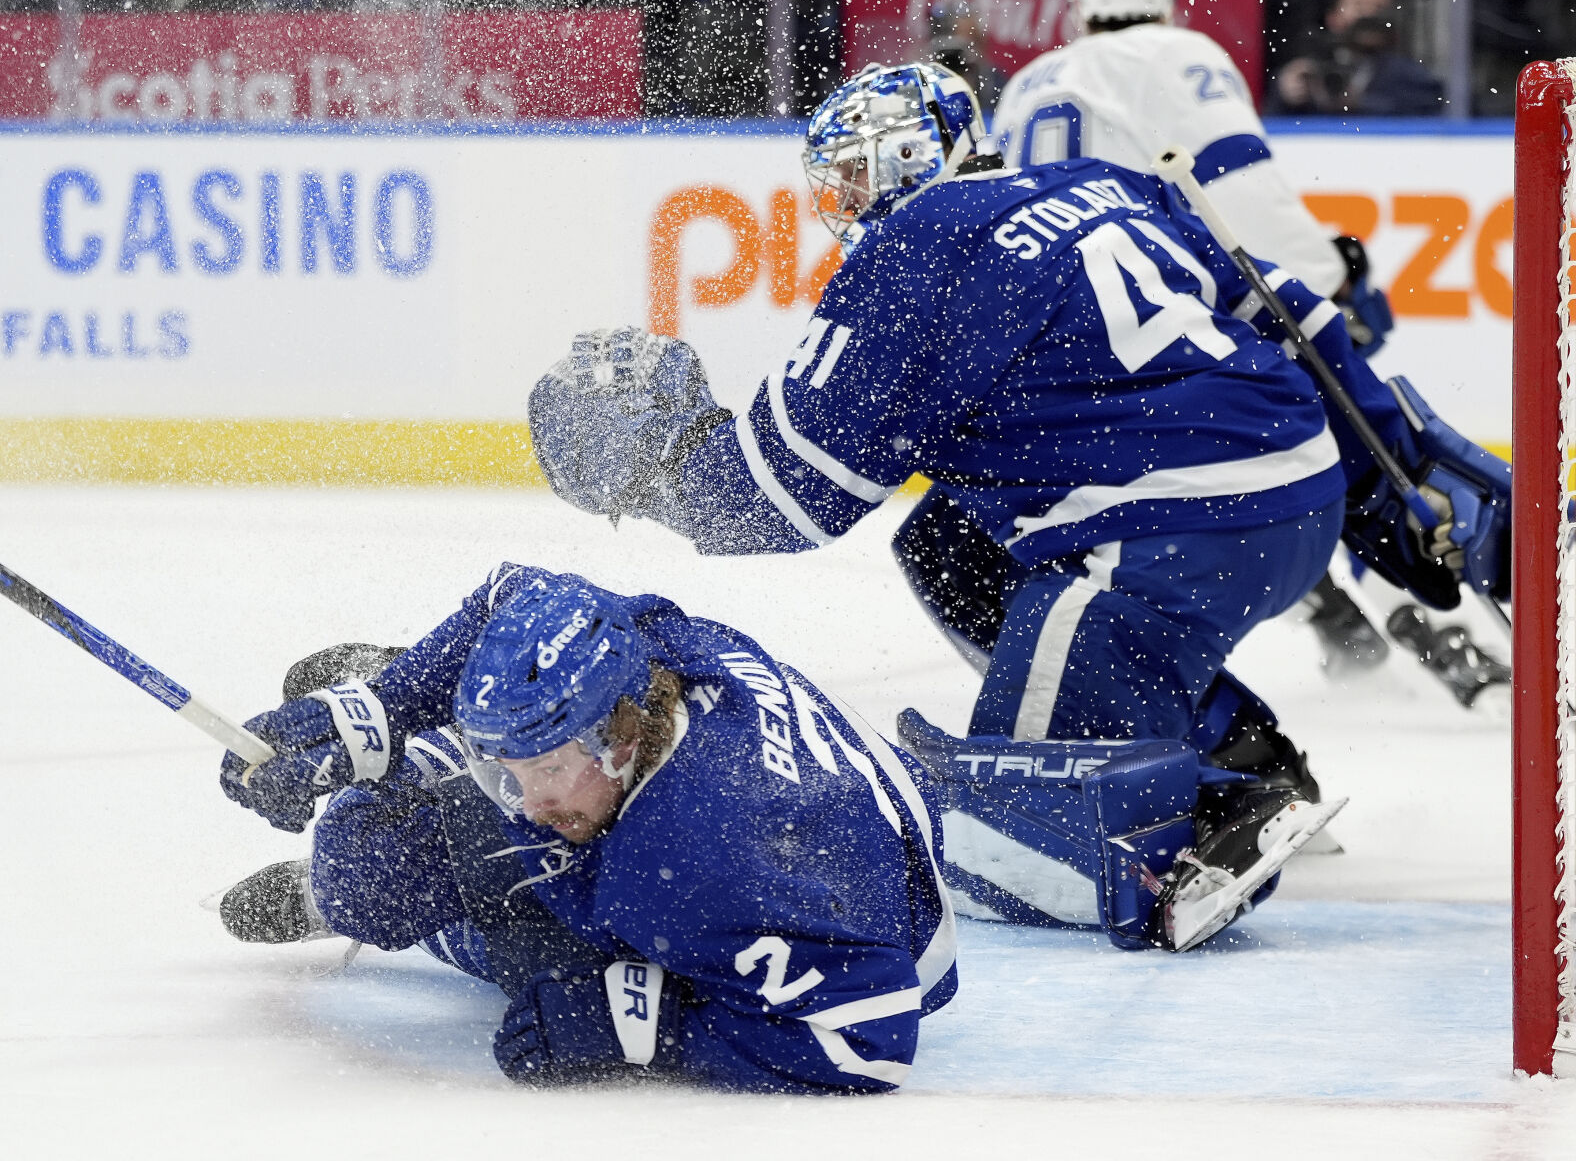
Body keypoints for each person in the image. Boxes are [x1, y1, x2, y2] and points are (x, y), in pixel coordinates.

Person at [524, 60, 1505, 871]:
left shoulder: (914, 250)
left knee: (1005, 842)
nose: (847, 208)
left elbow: (783, 499)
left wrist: (659, 463)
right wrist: (1394, 475)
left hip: (1168, 539)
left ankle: (1197, 813)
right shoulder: (1096, 181)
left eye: (858, 178)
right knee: (949, 540)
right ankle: (1237, 755)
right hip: (1295, 499)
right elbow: (1292, 313)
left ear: (913, 162)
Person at [215, 566, 958, 1092]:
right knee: (397, 859)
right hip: (838, 822)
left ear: (624, 731)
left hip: (818, 893)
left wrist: (645, 1026)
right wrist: (383, 707)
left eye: (541, 763)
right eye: (503, 763)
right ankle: (432, 730)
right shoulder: (649, 644)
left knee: (378, 883)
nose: (527, 800)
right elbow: (518, 596)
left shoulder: (702, 871)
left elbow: (869, 1040)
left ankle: (340, 882)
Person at [988, 0, 1506, 705]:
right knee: (1316, 451)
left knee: (1199, 486)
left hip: (1067, 363)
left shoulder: (1025, 85)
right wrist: (1331, 278)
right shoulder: (1174, 55)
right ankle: (1427, 631)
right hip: (1164, 326)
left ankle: (1323, 619)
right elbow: (1241, 191)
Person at [1269, 0, 1445, 117]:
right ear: (1333, 16)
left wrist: (1360, 103)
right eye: (1359, 6)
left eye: (1379, 7)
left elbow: (1431, 112)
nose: (1368, 14)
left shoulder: (1411, 78)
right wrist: (1282, 95)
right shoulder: (1311, 67)